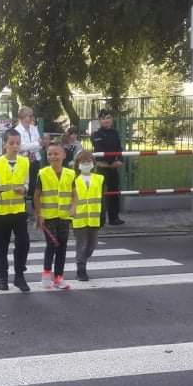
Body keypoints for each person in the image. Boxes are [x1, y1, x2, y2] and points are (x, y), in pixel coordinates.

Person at [0, 128, 31, 292]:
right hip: (1, 212)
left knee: (23, 243)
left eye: (18, 143)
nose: (15, 146)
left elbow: (27, 183)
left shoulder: (24, 162)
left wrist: (24, 189)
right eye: (11, 143)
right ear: (5, 144)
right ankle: (3, 276)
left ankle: (19, 276)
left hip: (19, 210)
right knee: (1, 246)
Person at [34, 142, 75, 290]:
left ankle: (59, 278)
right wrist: (39, 215)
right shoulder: (43, 173)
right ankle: (46, 275)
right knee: (52, 245)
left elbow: (74, 193)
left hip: (64, 216)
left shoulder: (71, 174)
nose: (53, 156)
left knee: (62, 246)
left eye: (56, 153)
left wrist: (74, 206)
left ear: (63, 155)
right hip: (48, 216)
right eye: (50, 154)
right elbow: (37, 196)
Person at [70, 150, 104, 281]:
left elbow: (102, 199)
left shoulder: (99, 179)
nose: (86, 164)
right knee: (82, 244)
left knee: (92, 245)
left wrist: (102, 216)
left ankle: (82, 260)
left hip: (94, 218)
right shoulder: (73, 180)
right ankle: (81, 269)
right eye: (83, 162)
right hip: (79, 218)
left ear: (93, 164)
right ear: (78, 164)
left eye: (88, 161)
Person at [91, 109, 125, 225]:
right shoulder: (96, 135)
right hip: (102, 168)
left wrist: (120, 160)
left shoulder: (115, 133)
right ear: (99, 120)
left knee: (114, 192)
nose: (106, 120)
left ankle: (114, 218)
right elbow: (100, 150)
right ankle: (99, 219)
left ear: (112, 119)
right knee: (99, 194)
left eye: (108, 118)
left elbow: (119, 149)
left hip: (113, 168)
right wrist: (112, 163)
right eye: (104, 118)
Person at [15, 107, 41, 207]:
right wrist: (34, 144)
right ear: (23, 117)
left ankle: (35, 210)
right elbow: (20, 147)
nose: (31, 118)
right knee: (23, 185)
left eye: (32, 115)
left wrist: (30, 145)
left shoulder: (34, 128)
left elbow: (40, 145)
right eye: (29, 115)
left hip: (35, 160)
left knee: (35, 187)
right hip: (23, 161)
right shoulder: (17, 130)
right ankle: (23, 209)